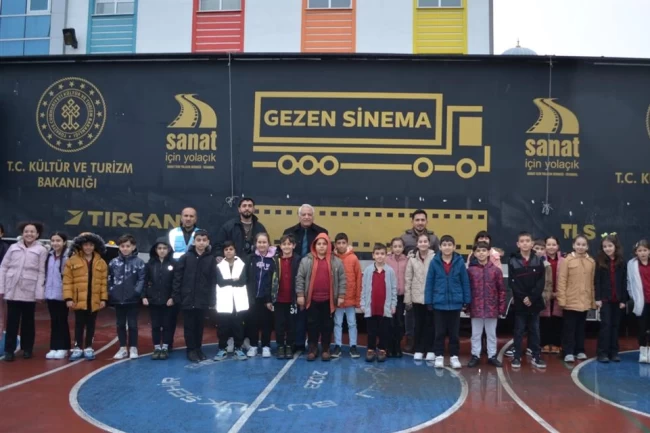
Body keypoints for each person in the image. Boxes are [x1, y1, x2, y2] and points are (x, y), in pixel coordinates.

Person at [283, 204, 329, 353]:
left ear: (313, 216)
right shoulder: (289, 232)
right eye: (304, 214)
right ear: (299, 216)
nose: (307, 217)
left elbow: (329, 252)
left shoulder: (322, 232)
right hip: (293, 277)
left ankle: (313, 344)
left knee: (312, 316)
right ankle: (297, 343)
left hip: (314, 279)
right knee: (296, 313)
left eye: (309, 214)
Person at [0, 222, 47, 361]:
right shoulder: (13, 247)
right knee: (11, 322)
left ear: (37, 234)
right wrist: (2, 287)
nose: (29, 234)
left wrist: (39, 292)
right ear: (22, 233)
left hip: (29, 290)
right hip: (12, 290)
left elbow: (41, 272)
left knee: (28, 322)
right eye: (26, 231)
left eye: (32, 232)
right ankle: (9, 351)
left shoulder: (41, 250)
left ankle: (27, 349)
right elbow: (4, 267)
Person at [296, 233, 346, 361]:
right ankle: (313, 348)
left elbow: (342, 279)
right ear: (314, 246)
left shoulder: (336, 261)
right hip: (312, 300)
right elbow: (300, 278)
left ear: (329, 246)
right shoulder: (306, 260)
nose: (322, 246)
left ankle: (325, 348)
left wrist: (341, 295)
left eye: (324, 244)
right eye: (319, 244)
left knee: (327, 326)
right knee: (312, 325)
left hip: (329, 301)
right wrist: (300, 294)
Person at [425, 235, 470, 369]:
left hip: (455, 304)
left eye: (450, 245)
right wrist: (429, 300)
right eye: (444, 245)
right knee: (439, 332)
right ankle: (439, 356)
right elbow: (430, 282)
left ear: (454, 247)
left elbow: (465, 281)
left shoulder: (459, 262)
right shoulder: (434, 262)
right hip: (439, 303)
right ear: (440, 247)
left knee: (454, 333)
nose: (447, 247)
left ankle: (454, 356)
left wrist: (466, 299)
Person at [172, 229, 216, 363]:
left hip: (202, 299)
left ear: (208, 242)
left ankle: (198, 348)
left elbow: (213, 281)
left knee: (200, 326)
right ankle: (190, 350)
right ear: (194, 242)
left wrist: (212, 299)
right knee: (189, 326)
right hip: (187, 299)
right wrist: (177, 295)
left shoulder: (211, 259)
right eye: (198, 240)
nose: (201, 243)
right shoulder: (185, 257)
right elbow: (177, 278)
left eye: (204, 240)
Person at [63, 232, 108, 361]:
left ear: (95, 246)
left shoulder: (101, 262)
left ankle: (88, 346)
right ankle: (77, 347)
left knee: (91, 324)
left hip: (94, 300)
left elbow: (103, 282)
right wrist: (68, 298)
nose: (88, 247)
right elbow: (67, 281)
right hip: (78, 299)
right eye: (86, 245)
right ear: (81, 246)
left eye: (91, 245)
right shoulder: (72, 261)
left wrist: (103, 298)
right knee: (79, 324)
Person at [400, 209, 439, 353]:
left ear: (427, 221)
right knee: (410, 314)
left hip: (428, 284)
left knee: (428, 317)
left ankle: (428, 345)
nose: (420, 223)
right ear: (412, 221)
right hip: (412, 281)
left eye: (423, 220)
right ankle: (411, 340)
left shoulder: (433, 238)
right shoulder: (404, 238)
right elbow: (399, 256)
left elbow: (438, 259)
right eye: (417, 220)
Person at [508, 231, 547, 369]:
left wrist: (531, 297)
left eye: (527, 241)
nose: (525, 243)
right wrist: (523, 297)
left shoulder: (538, 261)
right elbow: (513, 282)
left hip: (534, 302)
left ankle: (536, 356)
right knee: (518, 330)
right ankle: (517, 357)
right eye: (522, 241)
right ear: (518, 244)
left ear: (532, 244)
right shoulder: (513, 261)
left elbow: (541, 282)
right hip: (520, 303)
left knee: (535, 330)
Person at [557, 234, 596, 363]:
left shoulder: (591, 262)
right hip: (570, 301)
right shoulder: (567, 260)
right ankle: (568, 351)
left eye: (583, 245)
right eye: (578, 244)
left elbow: (592, 283)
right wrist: (562, 299)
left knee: (581, 328)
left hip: (584, 302)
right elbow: (562, 280)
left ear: (587, 247)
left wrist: (592, 300)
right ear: (573, 245)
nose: (580, 247)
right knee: (569, 328)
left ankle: (579, 350)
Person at [467, 242, 505, 368]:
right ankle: (475, 355)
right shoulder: (471, 271)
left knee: (491, 334)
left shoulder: (496, 271)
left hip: (491, 308)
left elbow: (501, 290)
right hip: (476, 307)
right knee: (476, 334)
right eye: (478, 251)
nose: (481, 253)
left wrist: (501, 307)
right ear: (474, 253)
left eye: (484, 250)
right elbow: (467, 289)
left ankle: (492, 356)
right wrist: (467, 306)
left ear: (489, 252)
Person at [167, 207, 200, 349]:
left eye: (191, 216)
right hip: (175, 279)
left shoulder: (200, 234)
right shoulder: (173, 233)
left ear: (195, 218)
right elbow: (167, 254)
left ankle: (192, 347)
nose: (188, 218)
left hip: (192, 281)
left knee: (191, 319)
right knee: (170, 315)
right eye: (185, 216)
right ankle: (167, 344)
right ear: (181, 217)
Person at [109, 234, 146, 360]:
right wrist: (112, 291)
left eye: (128, 246)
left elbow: (142, 279)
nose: (125, 248)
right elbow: (109, 278)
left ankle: (133, 347)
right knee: (120, 324)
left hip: (133, 300)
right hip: (118, 299)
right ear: (119, 247)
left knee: (132, 324)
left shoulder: (139, 262)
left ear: (133, 247)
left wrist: (136, 292)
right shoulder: (113, 262)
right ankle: (122, 348)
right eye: (122, 246)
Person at [361, 243, 397, 363]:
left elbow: (393, 289)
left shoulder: (390, 271)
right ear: (373, 255)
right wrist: (363, 303)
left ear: (386, 255)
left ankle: (382, 349)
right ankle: (371, 349)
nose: (380, 256)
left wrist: (393, 304)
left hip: (384, 308)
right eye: (377, 254)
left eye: (382, 253)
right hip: (371, 307)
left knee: (384, 330)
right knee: (371, 331)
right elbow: (363, 288)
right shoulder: (368, 270)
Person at [594, 233, 627, 363]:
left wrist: (623, 300)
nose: (607, 249)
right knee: (606, 325)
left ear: (615, 246)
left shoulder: (621, 262)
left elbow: (624, 281)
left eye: (610, 246)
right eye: (605, 246)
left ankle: (614, 352)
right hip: (605, 299)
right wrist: (598, 298)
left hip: (617, 300)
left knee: (615, 326)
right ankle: (602, 353)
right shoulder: (600, 261)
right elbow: (597, 281)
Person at [213, 241, 248, 362]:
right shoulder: (219, 266)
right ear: (223, 252)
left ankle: (238, 348)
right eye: (226, 249)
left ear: (235, 251)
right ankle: (222, 348)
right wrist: (234, 280)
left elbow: (242, 281)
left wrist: (229, 281)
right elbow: (220, 283)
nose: (228, 251)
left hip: (238, 301)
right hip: (224, 300)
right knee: (223, 326)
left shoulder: (242, 264)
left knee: (238, 326)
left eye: (231, 249)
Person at [143, 237, 175, 360]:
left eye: (164, 248)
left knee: (167, 325)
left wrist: (173, 297)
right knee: (155, 326)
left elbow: (176, 282)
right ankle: (157, 347)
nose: (162, 250)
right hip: (153, 301)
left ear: (169, 250)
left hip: (168, 301)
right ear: (155, 250)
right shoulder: (150, 265)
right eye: (159, 248)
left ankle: (165, 347)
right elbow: (145, 281)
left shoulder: (174, 264)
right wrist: (144, 296)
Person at [405, 234, 435, 361]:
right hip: (416, 298)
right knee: (418, 325)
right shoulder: (412, 259)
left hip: (430, 298)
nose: (423, 243)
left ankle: (430, 350)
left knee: (430, 324)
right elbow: (408, 279)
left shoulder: (435, 258)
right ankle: (419, 349)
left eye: (425, 241)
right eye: (420, 241)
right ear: (417, 244)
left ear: (429, 243)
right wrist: (408, 299)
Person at [246, 232, 277, 358]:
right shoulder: (251, 258)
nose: (262, 244)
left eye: (264, 242)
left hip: (267, 299)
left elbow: (274, 280)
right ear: (255, 243)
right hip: (253, 298)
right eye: (259, 242)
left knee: (266, 323)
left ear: (269, 243)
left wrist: (270, 299)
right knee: (252, 322)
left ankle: (266, 346)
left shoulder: (274, 260)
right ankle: (253, 346)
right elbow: (246, 278)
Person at [332, 233, 361, 359]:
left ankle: (353, 346)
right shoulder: (332, 258)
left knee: (352, 323)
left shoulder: (353, 258)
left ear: (347, 243)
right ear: (335, 245)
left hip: (350, 298)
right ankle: (337, 346)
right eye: (338, 243)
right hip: (337, 299)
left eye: (343, 243)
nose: (341, 245)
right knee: (337, 323)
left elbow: (358, 279)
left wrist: (358, 298)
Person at [272, 235, 301, 360]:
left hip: (292, 300)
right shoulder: (275, 260)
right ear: (280, 246)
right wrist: (270, 299)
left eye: (289, 244)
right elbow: (270, 280)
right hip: (278, 299)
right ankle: (280, 346)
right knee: (279, 324)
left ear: (294, 246)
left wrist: (300, 295)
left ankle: (289, 345)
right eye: (284, 244)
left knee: (291, 325)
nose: (287, 246)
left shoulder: (298, 260)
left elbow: (301, 278)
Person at [45, 231, 71, 360]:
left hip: (62, 294)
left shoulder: (68, 257)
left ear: (64, 242)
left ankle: (63, 347)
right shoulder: (49, 256)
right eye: (53, 241)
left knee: (62, 321)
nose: (55, 243)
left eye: (58, 241)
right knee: (54, 321)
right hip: (50, 294)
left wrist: (69, 295)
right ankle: (53, 347)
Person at [539, 236, 564, 355]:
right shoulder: (540, 259)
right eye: (548, 244)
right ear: (545, 246)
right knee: (544, 320)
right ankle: (544, 344)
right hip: (544, 293)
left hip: (559, 293)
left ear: (558, 246)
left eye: (554, 244)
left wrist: (559, 292)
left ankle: (556, 344)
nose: (551, 247)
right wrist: (547, 293)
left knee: (557, 320)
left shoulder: (564, 260)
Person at [626, 239, 650, 363]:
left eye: (645, 250)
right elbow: (629, 282)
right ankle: (643, 352)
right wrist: (633, 297)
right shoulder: (632, 264)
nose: (642, 253)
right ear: (636, 252)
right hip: (641, 302)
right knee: (642, 328)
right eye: (640, 250)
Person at [385, 237, 408, 358]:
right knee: (390, 322)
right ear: (391, 248)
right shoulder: (387, 260)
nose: (397, 249)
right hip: (389, 297)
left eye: (400, 246)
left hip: (401, 296)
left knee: (399, 322)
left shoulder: (407, 260)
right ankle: (389, 346)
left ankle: (397, 346)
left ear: (403, 248)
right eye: (395, 246)